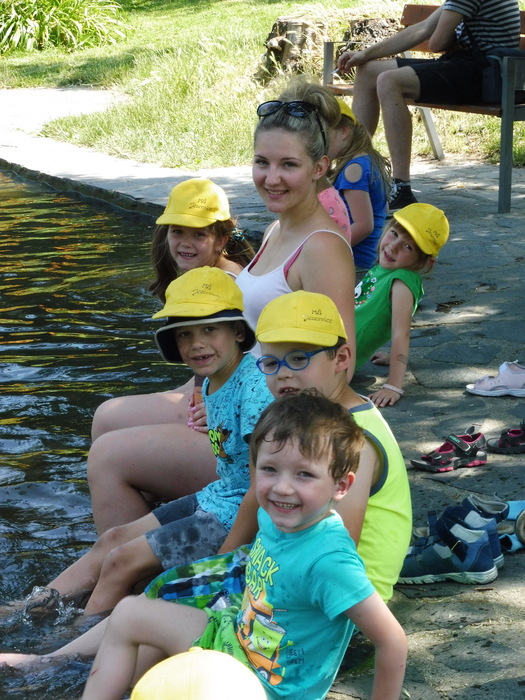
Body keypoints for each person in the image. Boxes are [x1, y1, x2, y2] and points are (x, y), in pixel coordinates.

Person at [79, 391, 407, 700]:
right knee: (130, 615)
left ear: (341, 485)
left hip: (262, 687)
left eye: (304, 475)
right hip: (235, 640)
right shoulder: (276, 517)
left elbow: (392, 641)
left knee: (145, 634)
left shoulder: (328, 561)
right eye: (270, 469)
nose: (282, 488)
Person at [18, 267, 273, 618]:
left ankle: (75, 642)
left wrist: (224, 559)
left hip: (234, 517)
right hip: (217, 497)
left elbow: (264, 486)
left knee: (121, 561)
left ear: (238, 332)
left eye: (210, 330)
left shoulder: (255, 390)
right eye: (184, 334)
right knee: (111, 541)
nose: (197, 343)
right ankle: (26, 609)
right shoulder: (212, 381)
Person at [221, 290, 412, 603]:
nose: (283, 373)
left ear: (341, 358)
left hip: (332, 604)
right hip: (291, 573)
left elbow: (339, 549)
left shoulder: (352, 437)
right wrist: (224, 566)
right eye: (271, 362)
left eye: (299, 358)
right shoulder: (313, 419)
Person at [88, 179, 255, 533]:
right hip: (213, 395)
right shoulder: (204, 276)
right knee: (106, 418)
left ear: (221, 239)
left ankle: (127, 549)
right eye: (177, 232)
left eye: (199, 234)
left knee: (107, 446)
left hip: (231, 420)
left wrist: (206, 403)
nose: (186, 243)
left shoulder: (226, 286)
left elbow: (240, 368)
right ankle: (137, 515)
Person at [337, 0, 521, 210]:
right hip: (470, 68)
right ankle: (352, 167)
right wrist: (364, 54)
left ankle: (401, 187)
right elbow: (423, 28)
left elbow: (436, 43)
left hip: (486, 76)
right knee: (368, 72)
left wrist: (449, 38)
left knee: (389, 81)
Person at [236, 81, 357, 376]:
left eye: (288, 165)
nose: (271, 178)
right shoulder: (274, 231)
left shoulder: (323, 249)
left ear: (319, 168)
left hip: (275, 402)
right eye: (262, 162)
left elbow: (341, 367)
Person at [355, 202, 449, 408]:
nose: (394, 246)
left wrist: (393, 386)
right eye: (394, 234)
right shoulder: (387, 269)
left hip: (331, 358)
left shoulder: (401, 282)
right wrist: (394, 357)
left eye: (408, 246)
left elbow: (401, 333)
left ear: (425, 262)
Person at [329, 97, 391, 274]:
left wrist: (329, 248)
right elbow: (384, 208)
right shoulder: (368, 159)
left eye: (323, 136)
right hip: (366, 259)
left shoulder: (353, 169)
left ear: (344, 132)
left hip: (355, 263)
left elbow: (364, 225)